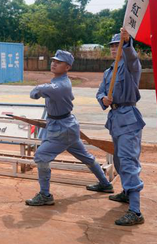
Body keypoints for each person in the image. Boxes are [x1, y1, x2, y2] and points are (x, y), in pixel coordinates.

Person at [25, 50, 113, 207]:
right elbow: (39, 91)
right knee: (85, 157)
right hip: (67, 126)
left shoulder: (58, 86)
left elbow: (34, 93)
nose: (54, 63)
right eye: (53, 60)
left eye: (59, 62)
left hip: (61, 130)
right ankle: (105, 184)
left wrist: (39, 88)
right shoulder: (58, 83)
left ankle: (45, 195)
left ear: (67, 67)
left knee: (41, 156)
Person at [95, 30, 146, 226]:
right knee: (118, 159)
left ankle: (135, 211)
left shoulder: (131, 67)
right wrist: (103, 99)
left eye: (118, 45)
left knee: (127, 161)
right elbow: (100, 91)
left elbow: (132, 57)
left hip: (128, 118)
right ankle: (126, 193)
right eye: (113, 46)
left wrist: (127, 43)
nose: (115, 48)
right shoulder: (109, 71)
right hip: (115, 118)